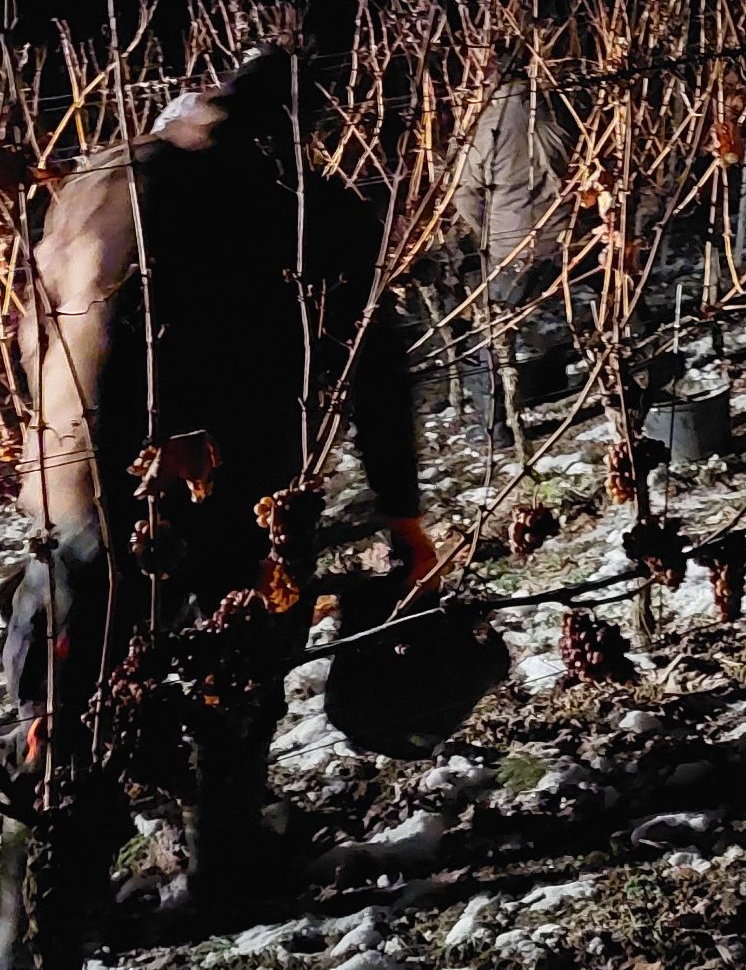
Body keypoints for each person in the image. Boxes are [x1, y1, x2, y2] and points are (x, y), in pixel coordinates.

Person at [2, 49, 434, 934]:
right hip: (226, 485)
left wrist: (42, 450)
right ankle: (221, 864)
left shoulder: (95, 179)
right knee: (231, 668)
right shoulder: (309, 205)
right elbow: (373, 368)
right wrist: (401, 507)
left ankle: (38, 905)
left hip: (69, 480)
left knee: (62, 685)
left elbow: (27, 325)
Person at [448, 57, 576, 450]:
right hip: (562, 236)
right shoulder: (559, 106)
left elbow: (464, 190)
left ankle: (493, 428)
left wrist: (484, 232)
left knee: (490, 336)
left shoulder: (492, 123)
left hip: (512, 244)